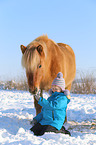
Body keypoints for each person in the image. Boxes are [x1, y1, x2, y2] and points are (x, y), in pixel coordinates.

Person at [30, 72, 71, 136]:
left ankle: (62, 130)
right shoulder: (50, 98)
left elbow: (53, 106)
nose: (54, 90)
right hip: (45, 122)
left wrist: (41, 100)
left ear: (61, 89)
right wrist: (36, 119)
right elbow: (44, 111)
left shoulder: (63, 99)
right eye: (53, 88)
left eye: (56, 89)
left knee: (46, 133)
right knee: (33, 131)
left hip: (55, 122)